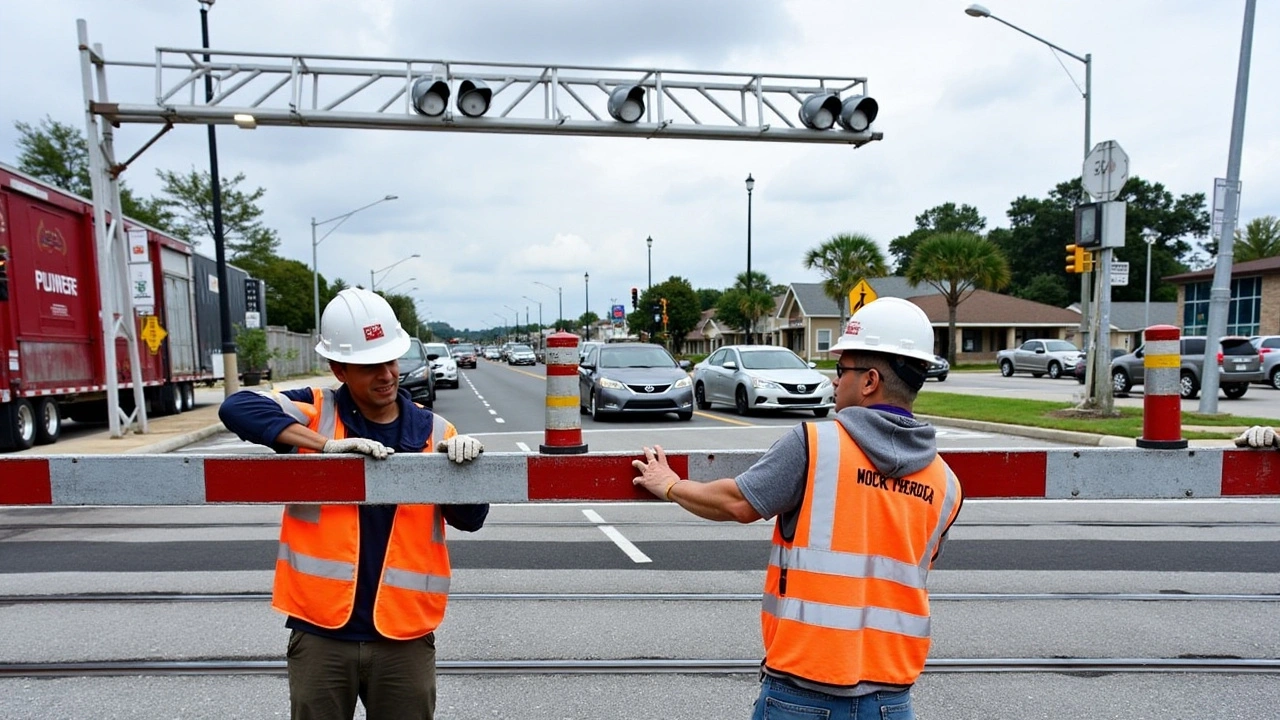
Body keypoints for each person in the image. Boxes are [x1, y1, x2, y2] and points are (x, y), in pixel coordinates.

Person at [633, 297, 963, 719]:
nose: (834, 379)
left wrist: (671, 485)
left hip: (803, 695)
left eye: (842, 370)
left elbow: (738, 502)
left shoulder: (817, 444)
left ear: (870, 382)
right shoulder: (946, 483)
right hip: (892, 700)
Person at [220, 287, 488, 720]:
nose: (386, 374)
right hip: (321, 631)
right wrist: (326, 446)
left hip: (403, 633)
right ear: (339, 368)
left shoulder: (436, 429)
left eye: (391, 360)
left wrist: (467, 472)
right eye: (369, 366)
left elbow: (472, 520)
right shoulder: (317, 411)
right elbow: (238, 407)